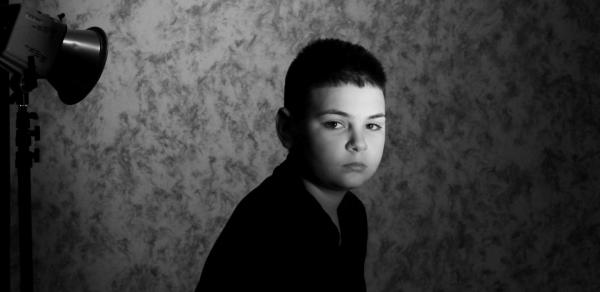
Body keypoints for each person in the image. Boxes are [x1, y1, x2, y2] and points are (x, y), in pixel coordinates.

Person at [195, 38, 387, 292]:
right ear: (287, 129)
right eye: (335, 124)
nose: (359, 143)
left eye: (372, 125)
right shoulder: (270, 226)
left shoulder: (352, 213)